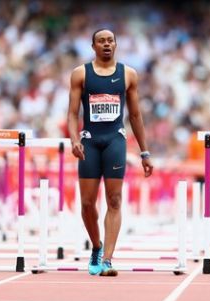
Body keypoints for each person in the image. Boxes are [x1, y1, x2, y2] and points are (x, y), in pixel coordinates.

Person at [67, 29, 153, 276]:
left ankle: (107, 260)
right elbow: (73, 113)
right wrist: (74, 140)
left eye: (110, 41)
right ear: (93, 46)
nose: (106, 44)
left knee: (114, 200)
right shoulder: (80, 74)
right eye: (101, 41)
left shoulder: (128, 74)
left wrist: (145, 152)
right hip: (90, 141)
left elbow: (135, 115)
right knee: (86, 203)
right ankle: (96, 245)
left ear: (116, 45)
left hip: (115, 140)